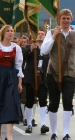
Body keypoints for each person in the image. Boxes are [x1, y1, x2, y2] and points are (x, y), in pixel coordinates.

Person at [41, 9, 75, 140]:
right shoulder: (50, 33)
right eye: (63, 18)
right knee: (53, 103)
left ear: (71, 20)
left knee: (67, 101)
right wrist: (54, 36)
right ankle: (54, 133)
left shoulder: (74, 35)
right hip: (53, 73)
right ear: (59, 20)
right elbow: (44, 51)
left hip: (71, 73)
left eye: (68, 18)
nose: (65, 20)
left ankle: (66, 133)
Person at [23, 29, 49, 134]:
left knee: (43, 101)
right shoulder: (29, 47)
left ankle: (43, 124)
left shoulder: (48, 48)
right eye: (39, 34)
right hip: (30, 77)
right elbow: (22, 58)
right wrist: (30, 50)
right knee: (29, 101)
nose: (41, 35)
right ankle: (29, 124)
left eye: (43, 34)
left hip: (43, 78)